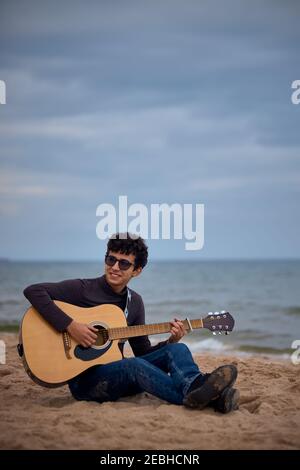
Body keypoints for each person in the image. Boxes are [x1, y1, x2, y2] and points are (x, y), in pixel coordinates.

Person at [23, 233, 239, 413]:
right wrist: (71, 325)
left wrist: (170, 340)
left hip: (119, 376)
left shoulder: (134, 303)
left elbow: (142, 352)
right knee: (133, 366)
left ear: (136, 271)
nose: (115, 267)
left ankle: (196, 387)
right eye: (111, 259)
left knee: (178, 348)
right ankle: (203, 395)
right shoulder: (83, 289)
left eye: (124, 263)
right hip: (86, 384)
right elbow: (34, 291)